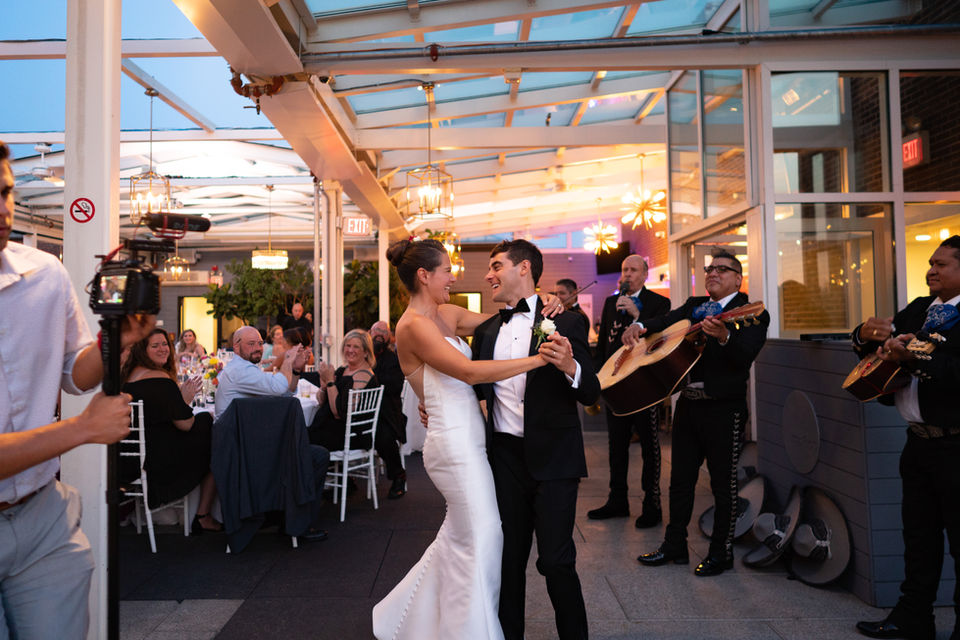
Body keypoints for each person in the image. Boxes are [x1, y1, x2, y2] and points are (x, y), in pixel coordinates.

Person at [372, 238, 571, 640]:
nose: (454, 276)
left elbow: (504, 322)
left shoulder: (446, 313)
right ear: (424, 276)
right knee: (483, 535)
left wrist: (544, 301)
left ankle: (420, 619)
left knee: (469, 536)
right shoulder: (410, 326)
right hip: (453, 445)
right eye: (447, 270)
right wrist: (539, 359)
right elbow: (468, 372)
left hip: (475, 440)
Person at [0, 139, 153, 638]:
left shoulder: (45, 275)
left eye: (5, 192)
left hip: (43, 515)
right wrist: (82, 428)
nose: (3, 210)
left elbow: (74, 371)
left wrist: (120, 337)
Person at [473, 239, 600, 640]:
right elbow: (476, 388)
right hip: (504, 458)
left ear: (524, 268)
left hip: (555, 459)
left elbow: (592, 391)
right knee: (508, 562)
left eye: (496, 266)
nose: (488, 275)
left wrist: (571, 366)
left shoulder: (566, 322)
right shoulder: (486, 330)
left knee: (556, 561)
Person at [629, 250, 769, 577]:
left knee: (723, 485)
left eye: (723, 269)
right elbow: (664, 321)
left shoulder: (753, 313)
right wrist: (639, 325)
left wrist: (725, 337)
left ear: (738, 277)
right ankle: (674, 545)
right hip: (689, 405)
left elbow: (746, 354)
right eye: (709, 269)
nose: (713, 273)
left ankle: (722, 553)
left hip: (724, 408)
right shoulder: (695, 304)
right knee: (680, 481)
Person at [853, 236, 960, 640]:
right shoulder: (920, 308)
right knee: (918, 538)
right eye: (930, 262)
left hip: (956, 444)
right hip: (917, 442)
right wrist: (865, 333)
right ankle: (913, 618)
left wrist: (913, 352)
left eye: (942, 264)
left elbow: (953, 369)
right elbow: (875, 342)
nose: (931, 270)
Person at [214, 326, 329, 541]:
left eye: (259, 343)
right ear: (236, 346)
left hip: (251, 447)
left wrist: (294, 370)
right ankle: (298, 524)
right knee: (316, 456)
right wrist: (287, 361)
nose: (258, 348)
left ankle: (284, 516)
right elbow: (278, 389)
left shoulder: (245, 368)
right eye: (251, 344)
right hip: (245, 454)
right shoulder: (240, 371)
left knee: (304, 452)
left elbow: (286, 390)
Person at [588, 255, 671, 528]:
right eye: (624, 270)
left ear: (645, 274)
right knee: (617, 445)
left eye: (633, 270)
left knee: (649, 446)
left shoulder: (659, 303)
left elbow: (660, 340)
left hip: (644, 386)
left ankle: (652, 504)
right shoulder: (612, 302)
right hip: (615, 385)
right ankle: (618, 500)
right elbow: (603, 345)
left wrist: (638, 315)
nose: (627, 274)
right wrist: (599, 379)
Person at [121, 328, 221, 533]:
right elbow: (185, 424)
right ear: (143, 349)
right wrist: (185, 399)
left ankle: (201, 514)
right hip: (158, 457)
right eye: (155, 345)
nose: (162, 349)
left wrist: (180, 400)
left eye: (164, 344)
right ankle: (203, 514)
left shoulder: (127, 377)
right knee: (211, 427)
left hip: (130, 457)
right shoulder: (160, 379)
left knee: (205, 423)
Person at [370, 320, 408, 499]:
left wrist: (370, 377)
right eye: (376, 330)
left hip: (387, 414)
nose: (379, 334)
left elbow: (394, 386)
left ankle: (398, 475)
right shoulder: (362, 356)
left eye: (383, 332)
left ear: (388, 337)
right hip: (362, 414)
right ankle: (346, 476)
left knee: (383, 436)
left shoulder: (393, 360)